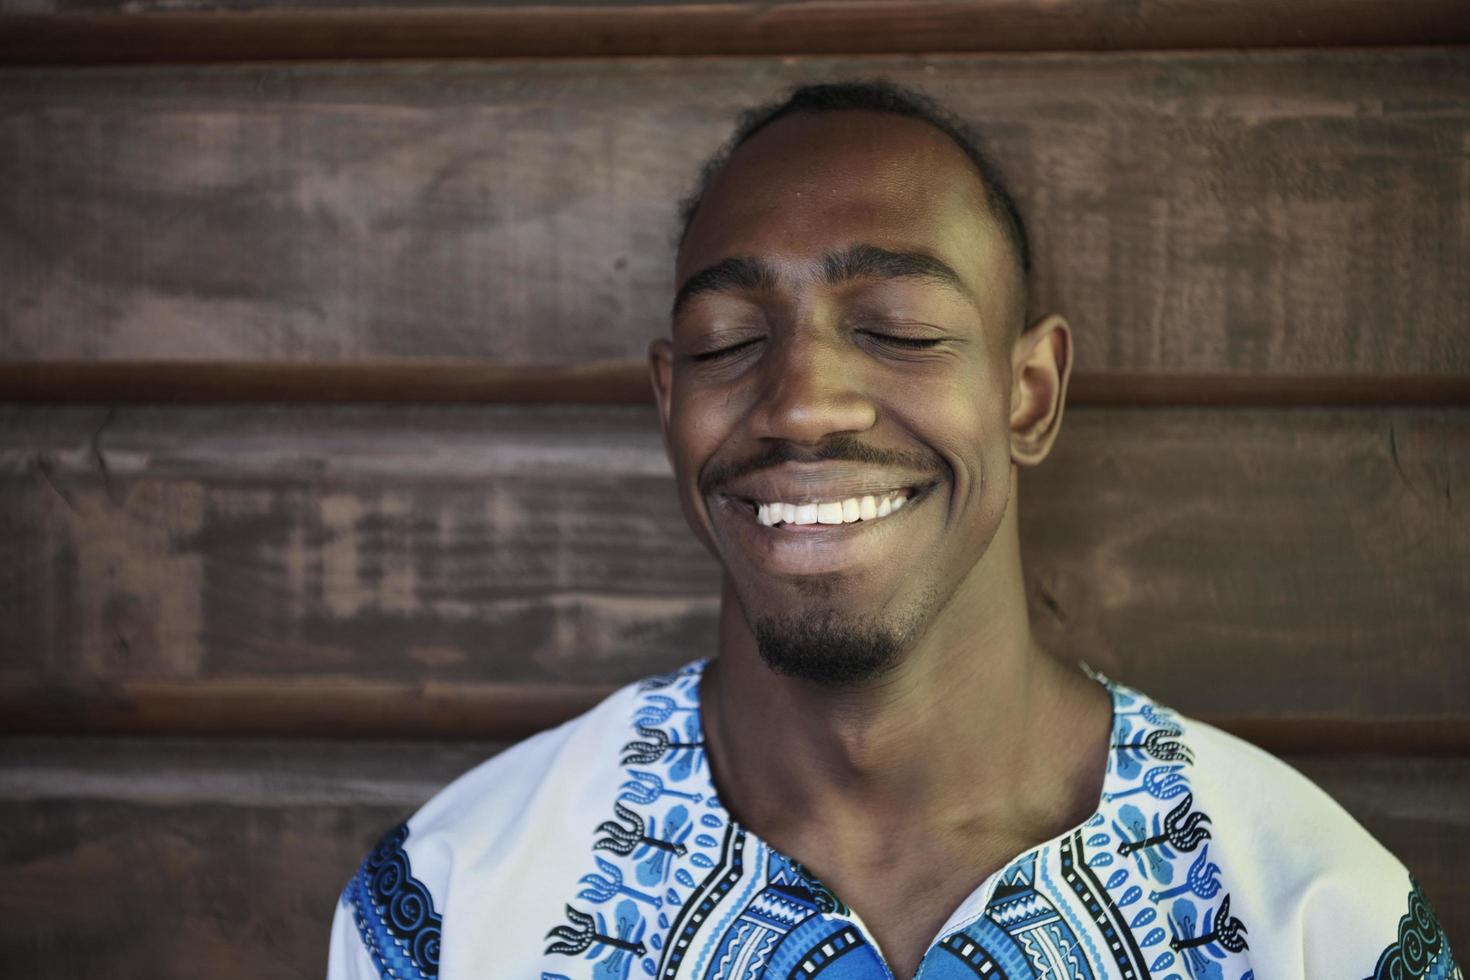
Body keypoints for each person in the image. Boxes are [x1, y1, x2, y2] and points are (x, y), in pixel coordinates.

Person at [326, 80, 1459, 980]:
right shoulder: (451, 915)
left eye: (902, 328)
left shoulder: (1316, 922)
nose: (806, 401)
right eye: (729, 340)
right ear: (670, 402)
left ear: (1029, 394)